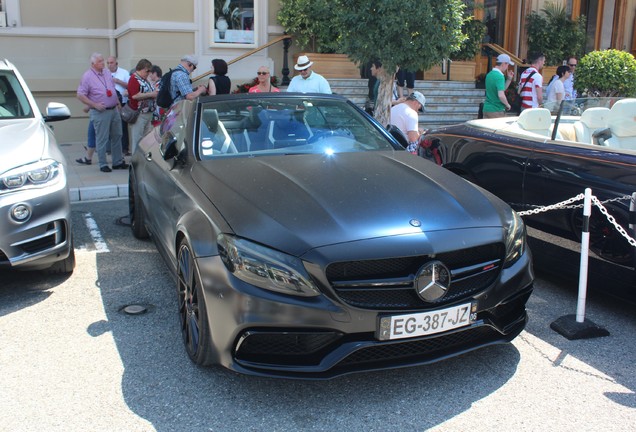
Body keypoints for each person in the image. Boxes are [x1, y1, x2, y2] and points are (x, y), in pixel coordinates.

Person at [76, 52, 128, 173]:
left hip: (113, 109)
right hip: (100, 111)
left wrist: (117, 103)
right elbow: (80, 95)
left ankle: (117, 162)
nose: (102, 63)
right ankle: (103, 163)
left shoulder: (106, 73)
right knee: (102, 138)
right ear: (93, 64)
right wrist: (94, 105)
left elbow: (111, 88)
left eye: (102, 60)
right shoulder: (87, 76)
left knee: (117, 135)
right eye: (100, 61)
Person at [127, 59, 158, 154]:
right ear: (141, 68)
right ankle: (135, 161)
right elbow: (134, 95)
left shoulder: (144, 79)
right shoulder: (134, 79)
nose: (148, 73)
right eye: (147, 71)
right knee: (138, 139)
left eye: (150, 71)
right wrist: (150, 94)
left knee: (146, 139)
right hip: (140, 114)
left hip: (148, 113)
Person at [107, 56, 131, 155]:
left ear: (116, 63)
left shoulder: (124, 72)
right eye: (108, 63)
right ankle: (110, 149)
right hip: (109, 103)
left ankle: (124, 148)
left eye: (111, 63)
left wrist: (118, 81)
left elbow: (130, 86)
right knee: (109, 126)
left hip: (123, 102)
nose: (109, 65)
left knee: (122, 126)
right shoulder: (105, 73)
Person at [482, 54, 515, 118]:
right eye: (507, 64)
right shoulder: (500, 76)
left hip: (486, 109)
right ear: (503, 64)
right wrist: (507, 105)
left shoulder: (489, 74)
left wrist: (509, 79)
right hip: (497, 110)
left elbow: (502, 89)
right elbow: (501, 95)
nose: (507, 67)